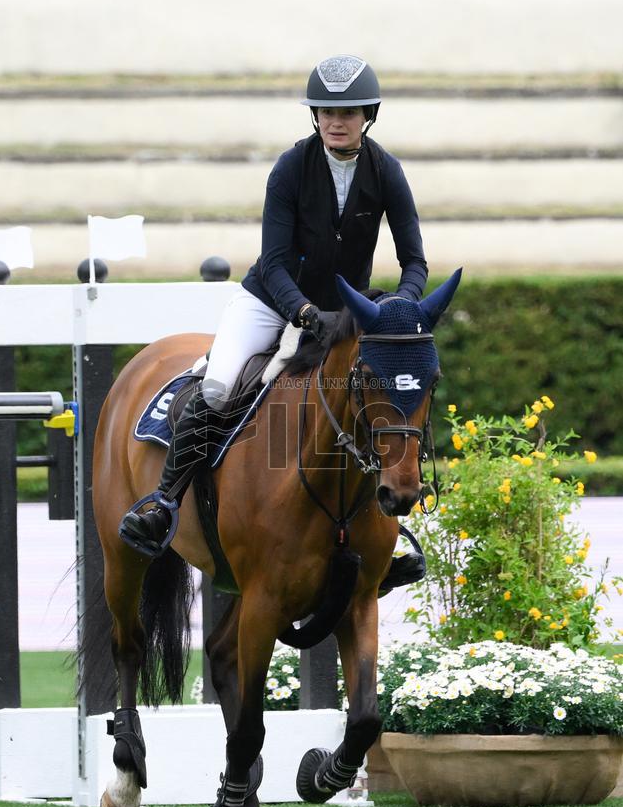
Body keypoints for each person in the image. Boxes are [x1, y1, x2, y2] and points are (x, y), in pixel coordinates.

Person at [120, 54, 428, 558]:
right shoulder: (290, 167)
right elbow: (275, 262)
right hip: (271, 300)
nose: (335, 121)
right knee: (219, 386)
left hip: (347, 311)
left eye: (347, 112)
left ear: (368, 115)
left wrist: (402, 307)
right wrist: (306, 315)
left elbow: (414, 260)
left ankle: (390, 535)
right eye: (326, 112)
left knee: (379, 398)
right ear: (314, 117)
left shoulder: (386, 171)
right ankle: (164, 504)